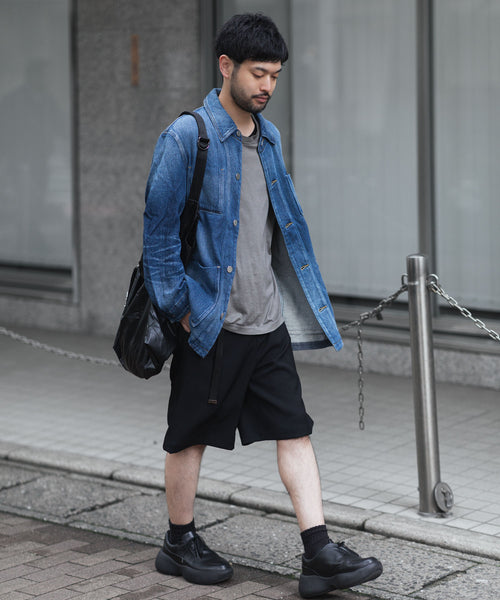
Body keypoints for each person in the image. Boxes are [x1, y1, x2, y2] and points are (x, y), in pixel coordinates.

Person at [143, 13, 383, 599]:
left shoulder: (268, 138)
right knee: (189, 435)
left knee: (294, 429)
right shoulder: (188, 137)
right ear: (225, 66)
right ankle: (178, 541)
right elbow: (157, 234)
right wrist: (181, 310)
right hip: (210, 321)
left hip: (266, 319)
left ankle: (318, 552)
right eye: (258, 73)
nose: (267, 86)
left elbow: (279, 230)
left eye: (275, 75)